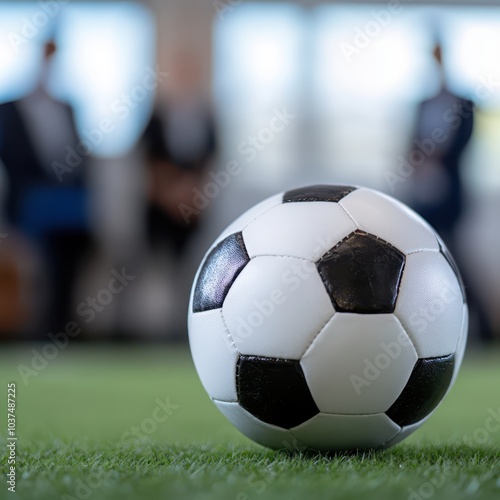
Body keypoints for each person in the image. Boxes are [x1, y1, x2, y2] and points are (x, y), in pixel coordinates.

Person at [0, 37, 93, 338]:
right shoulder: (10, 109)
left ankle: (62, 322)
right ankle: (39, 326)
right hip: (28, 203)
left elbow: (79, 158)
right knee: (45, 250)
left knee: (74, 244)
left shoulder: (67, 107)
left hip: (68, 204)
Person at [409, 41, 492, 341]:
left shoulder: (464, 103)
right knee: (422, 261)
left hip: (452, 196)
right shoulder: (421, 103)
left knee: (455, 260)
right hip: (422, 195)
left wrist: (437, 157)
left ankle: (481, 330)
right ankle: (426, 328)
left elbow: (464, 145)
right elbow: (409, 143)